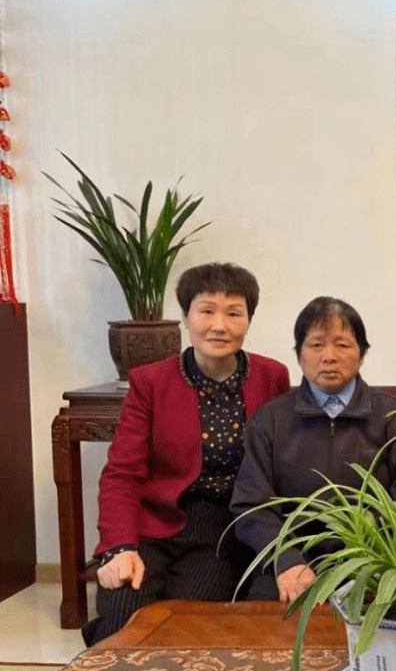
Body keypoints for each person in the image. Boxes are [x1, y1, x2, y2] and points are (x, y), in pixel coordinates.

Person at [87, 262, 291, 645]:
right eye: (206, 311)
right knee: (121, 614)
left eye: (234, 313)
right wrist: (119, 547)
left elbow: (280, 466)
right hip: (153, 522)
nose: (219, 325)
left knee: (187, 622)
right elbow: (122, 474)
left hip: (221, 530)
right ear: (185, 316)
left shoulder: (271, 376)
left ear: (249, 320)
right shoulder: (151, 380)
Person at [231, 296, 396, 603]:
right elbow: (251, 506)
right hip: (292, 557)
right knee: (265, 620)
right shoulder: (270, 420)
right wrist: (286, 560)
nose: (329, 357)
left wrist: (372, 561)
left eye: (342, 345)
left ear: (362, 355)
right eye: (315, 345)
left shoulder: (395, 419)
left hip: (373, 560)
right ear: (299, 356)